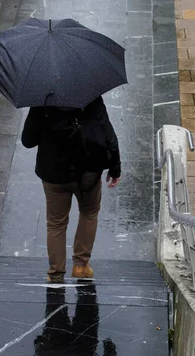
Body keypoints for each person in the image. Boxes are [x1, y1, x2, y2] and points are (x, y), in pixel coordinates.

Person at [22, 96, 121, 282]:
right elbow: (108, 134)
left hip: (53, 173)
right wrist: (115, 167)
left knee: (56, 223)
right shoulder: (91, 96)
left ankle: (56, 273)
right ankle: (81, 266)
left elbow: (28, 140)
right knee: (89, 213)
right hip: (88, 172)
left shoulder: (42, 98)